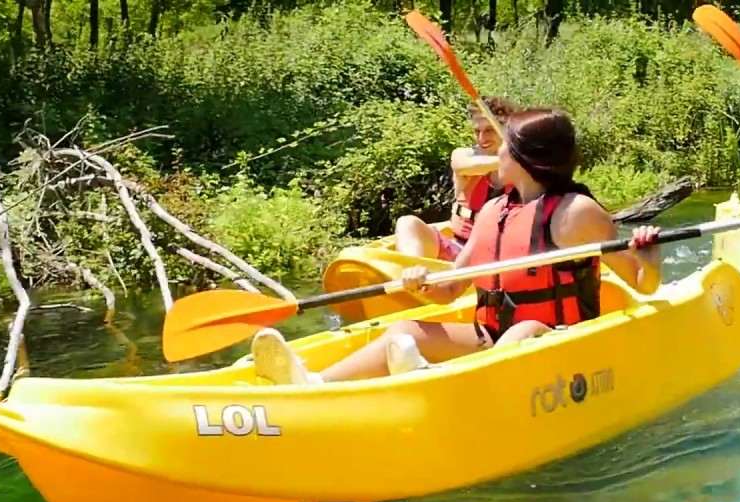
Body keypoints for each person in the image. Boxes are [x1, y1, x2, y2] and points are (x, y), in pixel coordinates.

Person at [250, 107, 663, 385]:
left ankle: (429, 382)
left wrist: (647, 253)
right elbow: (449, 288)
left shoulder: (576, 212)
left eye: (504, 144)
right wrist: (419, 281)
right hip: (495, 336)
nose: (494, 150)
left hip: (558, 339)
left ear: (525, 158)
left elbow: (643, 284)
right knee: (408, 328)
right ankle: (315, 384)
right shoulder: (493, 212)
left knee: (524, 329)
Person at [394, 96, 518, 261]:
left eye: (489, 130)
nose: (481, 139)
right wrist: (514, 158)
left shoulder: (523, 166)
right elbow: (465, 165)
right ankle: (415, 279)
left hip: (505, 252)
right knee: (406, 223)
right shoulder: (464, 155)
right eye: (477, 131)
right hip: (460, 249)